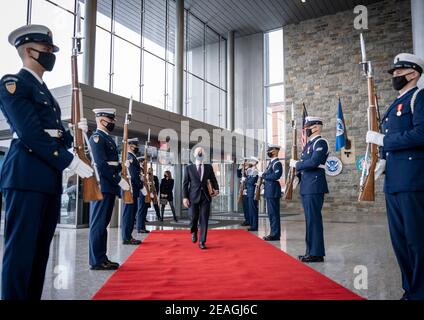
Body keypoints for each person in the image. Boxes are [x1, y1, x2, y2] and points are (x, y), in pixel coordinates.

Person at [0, 24, 93, 300]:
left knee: (40, 253)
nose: (51, 54)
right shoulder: (13, 84)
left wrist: (75, 131)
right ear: (28, 50)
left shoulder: (46, 93)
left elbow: (56, 135)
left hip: (47, 180)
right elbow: (30, 133)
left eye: (51, 49)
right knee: (20, 253)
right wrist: (69, 161)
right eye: (47, 49)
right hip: (26, 177)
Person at [366, 53, 424, 300]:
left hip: (413, 180)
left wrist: (384, 140)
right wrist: (383, 160)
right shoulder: (395, 103)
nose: (395, 77)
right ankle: (409, 290)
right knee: (400, 241)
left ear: (413, 73)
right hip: (393, 181)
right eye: (394, 73)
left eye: (399, 73)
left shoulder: (419, 97)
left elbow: (421, 134)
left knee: (417, 240)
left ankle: (420, 292)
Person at [89, 108, 130, 270]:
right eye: (110, 119)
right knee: (98, 224)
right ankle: (97, 260)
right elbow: (101, 164)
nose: (112, 122)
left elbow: (111, 163)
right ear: (100, 119)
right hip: (102, 186)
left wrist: (121, 166)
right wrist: (118, 180)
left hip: (108, 186)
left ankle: (101, 257)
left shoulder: (107, 138)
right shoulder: (97, 138)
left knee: (102, 224)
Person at [290, 116, 329, 263]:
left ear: (317, 127)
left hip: (314, 185)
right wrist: (297, 178)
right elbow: (305, 163)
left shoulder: (321, 143)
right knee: (309, 220)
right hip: (307, 186)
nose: (306, 130)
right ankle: (310, 251)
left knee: (314, 220)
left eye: (308, 127)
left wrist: (297, 165)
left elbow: (313, 162)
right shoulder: (309, 145)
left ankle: (317, 253)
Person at [183, 147, 219, 249]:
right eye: (198, 152)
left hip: (205, 197)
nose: (200, 153)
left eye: (202, 152)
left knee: (204, 219)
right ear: (194, 155)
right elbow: (185, 184)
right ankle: (193, 231)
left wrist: (217, 189)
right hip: (192, 197)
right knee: (193, 217)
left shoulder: (208, 167)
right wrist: (185, 197)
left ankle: (202, 241)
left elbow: (213, 179)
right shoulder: (189, 168)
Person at [259, 144, 283, 241]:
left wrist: (264, 176)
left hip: (273, 191)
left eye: (270, 150)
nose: (269, 152)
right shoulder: (270, 163)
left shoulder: (277, 163)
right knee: (271, 214)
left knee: (274, 213)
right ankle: (273, 232)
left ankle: (275, 234)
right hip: (269, 190)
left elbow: (276, 176)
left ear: (275, 151)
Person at [121, 138, 142, 245]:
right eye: (134, 145)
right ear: (129, 146)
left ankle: (128, 236)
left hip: (133, 189)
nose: (136, 147)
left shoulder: (132, 157)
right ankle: (126, 237)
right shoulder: (130, 157)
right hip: (131, 189)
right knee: (128, 214)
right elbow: (133, 175)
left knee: (131, 213)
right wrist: (141, 185)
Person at [136, 157, 150, 234]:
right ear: (141, 162)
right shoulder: (139, 169)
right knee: (141, 209)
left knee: (143, 209)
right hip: (141, 190)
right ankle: (139, 227)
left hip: (144, 190)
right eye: (144, 162)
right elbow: (140, 180)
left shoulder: (142, 170)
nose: (145, 164)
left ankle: (142, 227)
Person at [246, 157, 259, 232]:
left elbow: (250, 182)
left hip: (253, 192)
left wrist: (247, 180)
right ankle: (252, 224)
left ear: (255, 162)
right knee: (250, 209)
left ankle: (254, 226)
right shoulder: (251, 170)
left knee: (253, 209)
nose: (250, 162)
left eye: (252, 161)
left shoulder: (255, 171)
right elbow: (248, 180)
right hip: (250, 191)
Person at [237, 159, 250, 227]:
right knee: (245, 206)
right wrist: (239, 168)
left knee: (248, 206)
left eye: (246, 161)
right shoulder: (243, 169)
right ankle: (246, 219)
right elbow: (238, 175)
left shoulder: (250, 169)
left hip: (248, 190)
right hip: (243, 189)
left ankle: (249, 220)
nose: (245, 163)